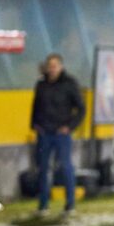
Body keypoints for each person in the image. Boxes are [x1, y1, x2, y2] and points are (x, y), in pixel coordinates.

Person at [30, 53, 85, 217]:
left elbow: (81, 108)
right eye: (50, 66)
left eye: (55, 66)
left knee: (66, 166)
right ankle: (43, 205)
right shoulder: (41, 84)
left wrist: (70, 127)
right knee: (43, 168)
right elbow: (35, 106)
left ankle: (70, 204)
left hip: (61, 133)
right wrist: (34, 125)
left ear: (60, 67)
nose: (52, 69)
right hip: (44, 133)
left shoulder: (69, 84)